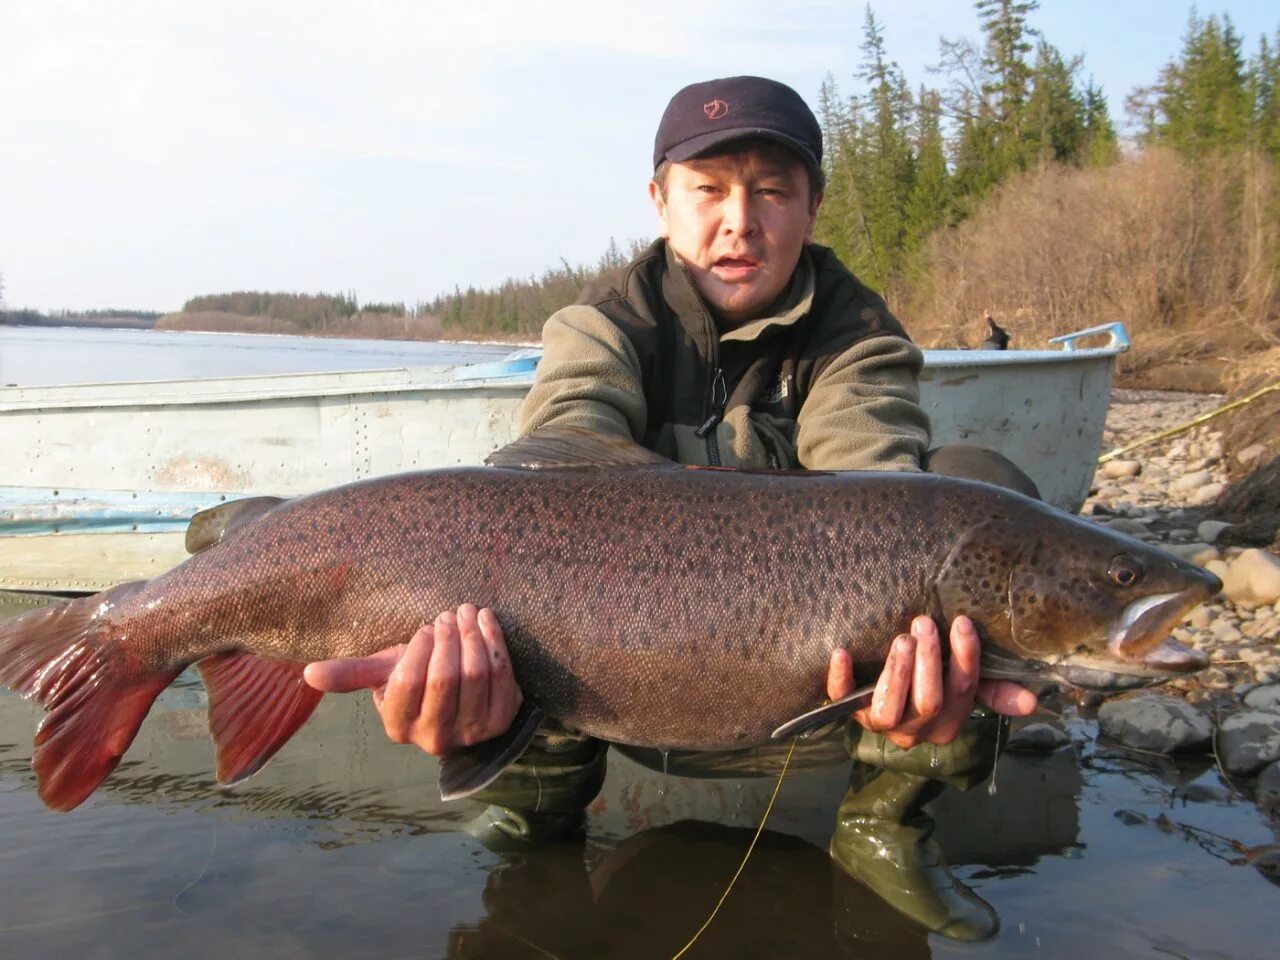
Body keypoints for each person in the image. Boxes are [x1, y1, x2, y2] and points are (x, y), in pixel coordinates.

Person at [304, 76, 1039, 941]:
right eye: (709, 190)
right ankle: (528, 820)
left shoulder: (857, 337)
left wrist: (905, 630)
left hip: (807, 683)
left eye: (772, 190)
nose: (740, 219)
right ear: (660, 202)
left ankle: (885, 825)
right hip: (598, 672)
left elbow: (879, 493)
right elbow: (557, 464)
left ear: (812, 207)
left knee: (972, 499)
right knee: (515, 564)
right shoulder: (602, 326)